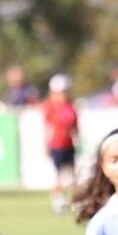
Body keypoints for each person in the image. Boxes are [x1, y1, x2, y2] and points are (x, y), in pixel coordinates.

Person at [42, 74, 78, 214]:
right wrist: (46, 144)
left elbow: (75, 126)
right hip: (57, 145)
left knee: (73, 175)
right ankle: (58, 200)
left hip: (69, 145)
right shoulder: (50, 107)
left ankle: (75, 201)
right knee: (58, 175)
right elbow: (47, 128)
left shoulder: (70, 106)